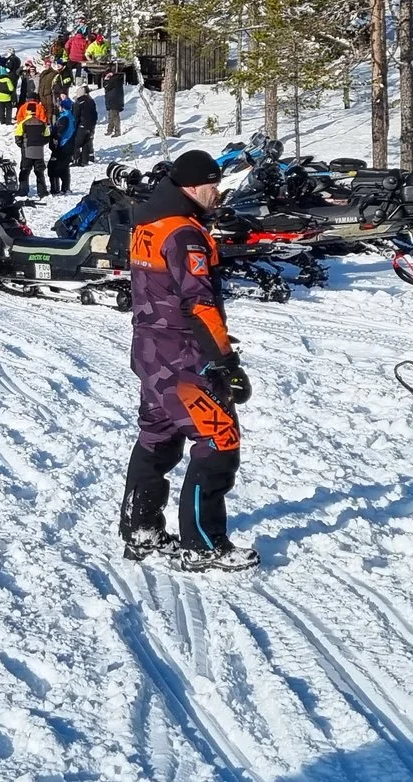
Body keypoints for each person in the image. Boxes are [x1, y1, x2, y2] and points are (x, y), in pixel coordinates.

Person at [120, 150, 258, 570]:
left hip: (150, 350)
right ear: (194, 187)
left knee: (158, 437)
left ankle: (141, 529)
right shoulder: (184, 234)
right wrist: (225, 361)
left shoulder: (150, 222)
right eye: (214, 185)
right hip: (182, 357)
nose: (219, 193)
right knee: (219, 438)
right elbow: (199, 304)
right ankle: (203, 544)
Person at [14, 100, 52, 197]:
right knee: (39, 172)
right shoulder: (42, 123)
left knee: (24, 171)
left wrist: (23, 146)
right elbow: (47, 137)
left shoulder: (23, 123)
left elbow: (18, 137)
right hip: (39, 151)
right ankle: (42, 191)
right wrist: (40, 144)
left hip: (27, 150)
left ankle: (23, 190)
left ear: (27, 111)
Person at [70, 85, 99, 165]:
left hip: (82, 125)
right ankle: (85, 160)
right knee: (86, 142)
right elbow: (95, 114)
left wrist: (73, 127)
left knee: (75, 143)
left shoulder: (78, 102)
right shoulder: (91, 101)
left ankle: (75, 160)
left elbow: (76, 116)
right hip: (91, 126)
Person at [102, 63, 127, 139]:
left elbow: (106, 86)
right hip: (112, 100)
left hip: (114, 101)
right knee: (110, 116)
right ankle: (110, 130)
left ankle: (117, 131)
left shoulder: (114, 79)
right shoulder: (116, 78)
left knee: (115, 116)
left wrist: (106, 80)